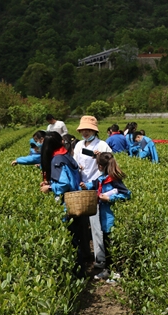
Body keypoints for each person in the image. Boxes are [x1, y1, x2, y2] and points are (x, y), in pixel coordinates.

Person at [39, 131, 87, 276]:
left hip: (68, 203)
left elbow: (64, 183)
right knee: (77, 237)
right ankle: (81, 270)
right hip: (77, 200)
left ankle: (78, 273)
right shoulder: (66, 155)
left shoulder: (57, 160)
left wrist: (50, 188)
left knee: (72, 239)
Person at [80, 153, 131, 281]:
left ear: (100, 166)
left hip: (111, 218)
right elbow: (94, 184)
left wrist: (110, 198)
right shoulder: (102, 178)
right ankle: (107, 270)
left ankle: (116, 272)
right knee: (106, 245)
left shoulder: (114, 180)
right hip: (104, 218)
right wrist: (85, 186)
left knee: (112, 246)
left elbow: (127, 194)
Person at [73, 116, 113, 269]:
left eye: (88, 130)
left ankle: (99, 258)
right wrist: (77, 167)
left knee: (96, 227)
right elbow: (75, 162)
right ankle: (86, 255)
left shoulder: (102, 145)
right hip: (81, 188)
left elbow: (111, 164)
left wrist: (99, 157)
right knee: (82, 225)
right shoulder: (78, 145)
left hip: (96, 189)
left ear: (94, 131)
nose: (85, 132)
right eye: (83, 130)